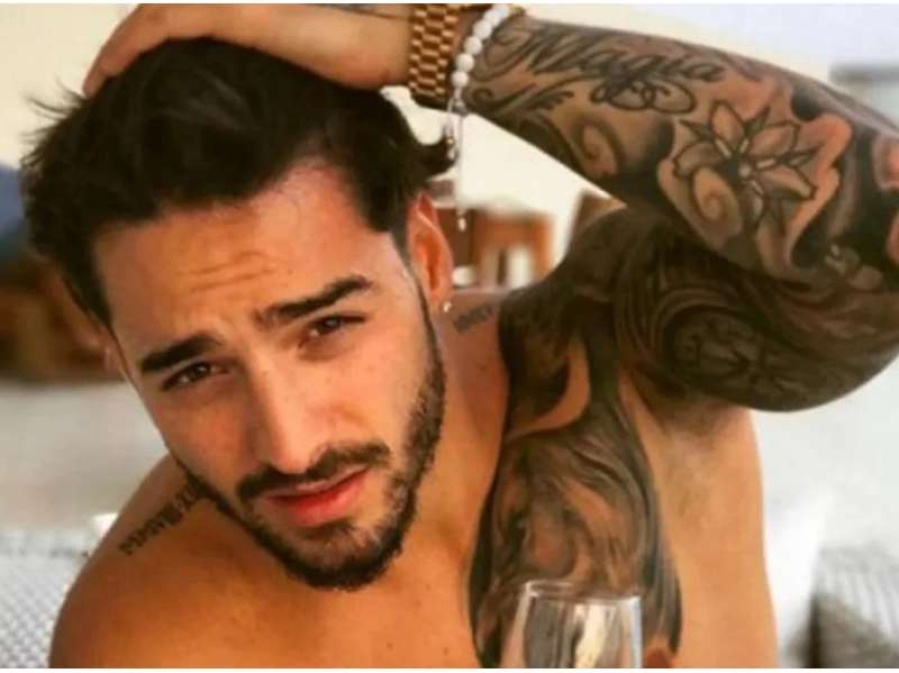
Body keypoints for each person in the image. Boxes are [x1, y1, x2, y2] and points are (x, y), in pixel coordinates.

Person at [23, 4, 899, 667]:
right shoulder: (149, 637)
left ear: (430, 256)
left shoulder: (625, 354)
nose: (290, 445)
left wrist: (446, 45)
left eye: (326, 326)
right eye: (195, 371)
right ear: (115, 349)